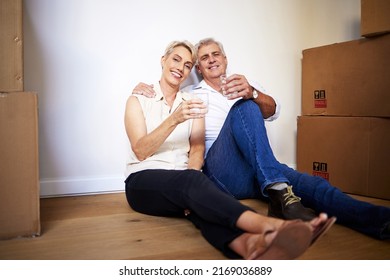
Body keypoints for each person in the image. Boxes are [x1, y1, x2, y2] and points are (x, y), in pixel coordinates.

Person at [132, 37, 390, 240]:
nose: (211, 60)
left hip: (259, 168)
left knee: (314, 187)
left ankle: (379, 220)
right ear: (197, 68)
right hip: (221, 174)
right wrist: (141, 88)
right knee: (244, 108)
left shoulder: (245, 83)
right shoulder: (190, 93)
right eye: (203, 58)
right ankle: (278, 188)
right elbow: (168, 90)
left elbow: (274, 111)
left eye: (216, 54)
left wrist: (252, 93)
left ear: (225, 58)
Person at [124, 40, 333, 260]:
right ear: (163, 60)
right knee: (193, 185)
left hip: (181, 183)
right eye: (176, 59)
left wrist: (193, 185)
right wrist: (174, 119)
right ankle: (271, 226)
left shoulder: (193, 101)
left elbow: (197, 148)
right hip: (143, 181)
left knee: (203, 206)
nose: (180, 67)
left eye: (187, 65)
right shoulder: (138, 99)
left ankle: (247, 245)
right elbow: (140, 150)